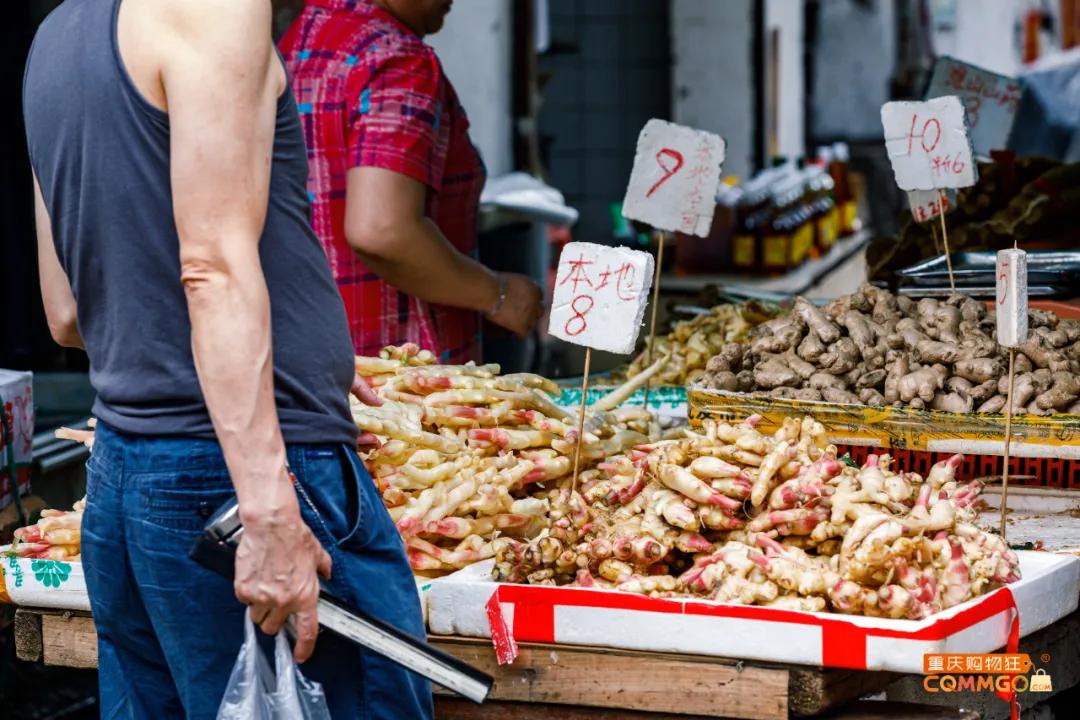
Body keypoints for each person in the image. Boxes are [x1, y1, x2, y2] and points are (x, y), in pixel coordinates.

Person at [23, 0, 431, 717]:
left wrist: (295, 357)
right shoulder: (213, 7)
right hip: (232, 485)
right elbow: (210, 268)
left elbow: (66, 311)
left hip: (126, 476)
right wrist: (268, 513)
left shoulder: (55, 34)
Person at [280, 0, 542, 365]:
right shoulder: (395, 60)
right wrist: (498, 294)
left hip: (304, 360)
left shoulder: (296, 41)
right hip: (397, 376)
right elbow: (383, 229)